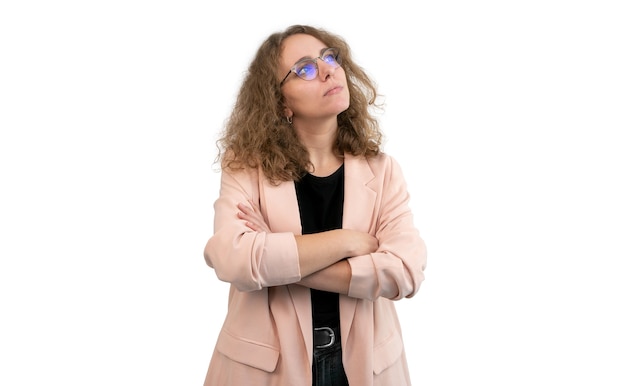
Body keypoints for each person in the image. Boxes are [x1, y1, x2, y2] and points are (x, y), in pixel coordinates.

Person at [202, 24, 427, 386]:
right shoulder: (245, 166)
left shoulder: (383, 170)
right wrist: (347, 241)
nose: (327, 70)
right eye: (305, 68)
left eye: (329, 57)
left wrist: (275, 261)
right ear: (281, 102)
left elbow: (404, 271)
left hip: (365, 364)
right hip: (266, 368)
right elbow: (230, 257)